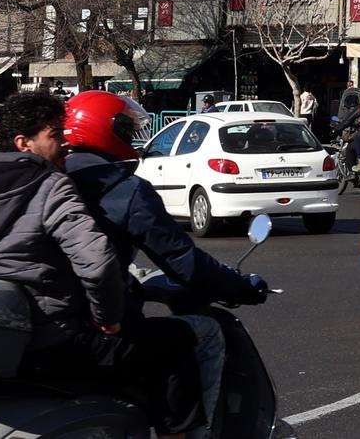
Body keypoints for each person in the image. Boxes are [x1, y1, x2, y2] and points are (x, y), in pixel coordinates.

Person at [0, 91, 207, 439]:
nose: (65, 145)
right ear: (24, 142)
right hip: (54, 342)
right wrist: (108, 319)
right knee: (177, 341)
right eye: (55, 135)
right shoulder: (50, 186)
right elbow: (97, 262)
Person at [60, 91, 268, 434]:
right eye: (125, 129)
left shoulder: (48, 181)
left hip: (44, 327)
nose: (131, 137)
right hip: (98, 328)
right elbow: (182, 260)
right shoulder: (124, 189)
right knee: (205, 334)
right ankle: (191, 433)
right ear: (102, 129)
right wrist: (240, 286)